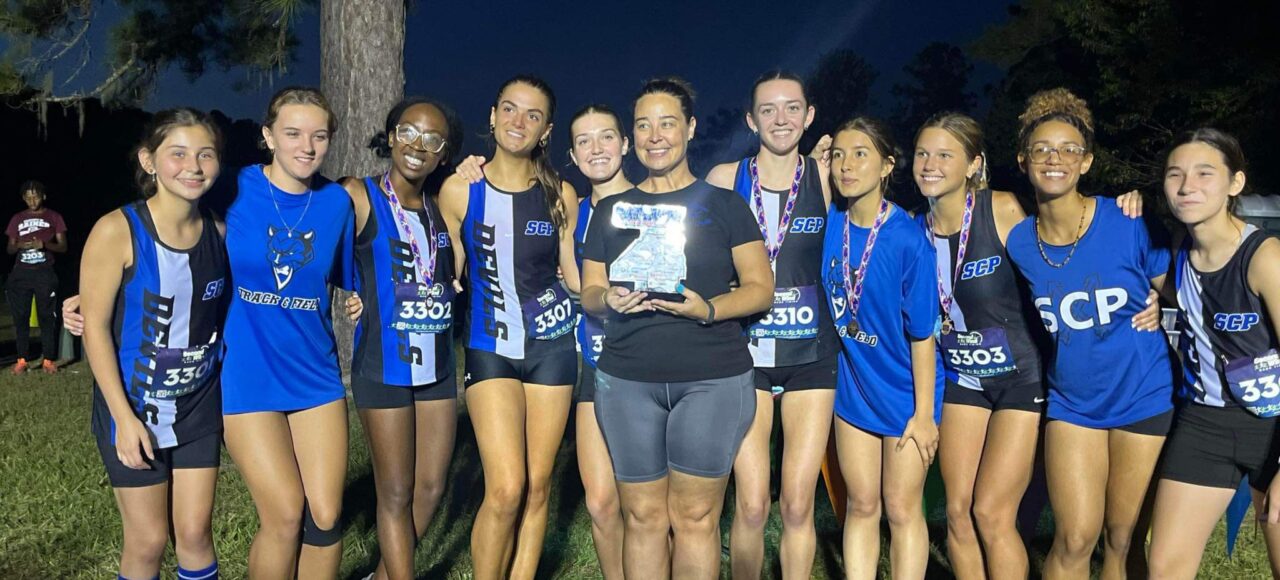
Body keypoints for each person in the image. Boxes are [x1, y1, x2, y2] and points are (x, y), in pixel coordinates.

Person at [914, 113, 1161, 579]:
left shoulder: (1001, 209)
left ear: (973, 164)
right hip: (964, 377)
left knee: (991, 512)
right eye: (923, 153)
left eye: (945, 154)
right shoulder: (915, 227)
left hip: (1020, 379)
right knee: (959, 512)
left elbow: (1059, 259)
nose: (930, 164)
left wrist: (1144, 294)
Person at [580, 77, 773, 580]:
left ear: (690, 128)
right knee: (643, 517)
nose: (655, 136)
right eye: (643, 125)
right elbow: (590, 290)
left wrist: (707, 309)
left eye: (667, 123)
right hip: (627, 379)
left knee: (695, 517)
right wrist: (608, 299)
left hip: (712, 377)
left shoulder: (725, 205)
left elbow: (760, 289)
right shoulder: (610, 211)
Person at [1004, 88, 1174, 579]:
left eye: (1068, 149)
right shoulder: (1019, 242)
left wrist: (1162, 304)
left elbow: (1182, 292)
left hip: (1143, 396)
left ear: (1087, 162)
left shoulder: (1127, 221)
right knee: (1075, 537)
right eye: (1041, 149)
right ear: (1023, 160)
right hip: (1073, 403)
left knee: (1121, 538)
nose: (1054, 159)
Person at [438, 75, 580, 580]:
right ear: (493, 115)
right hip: (490, 346)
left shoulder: (560, 193)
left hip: (552, 347)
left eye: (533, 115)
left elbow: (576, 276)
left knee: (538, 486)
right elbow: (444, 271)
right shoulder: (460, 189)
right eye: (510, 109)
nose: (519, 121)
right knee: (505, 489)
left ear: (547, 130)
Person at [219, 87, 359, 579]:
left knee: (326, 515)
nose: (307, 146)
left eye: (319, 136)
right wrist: (108, 284)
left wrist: (361, 296)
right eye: (293, 133)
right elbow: (169, 232)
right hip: (248, 372)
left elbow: (349, 275)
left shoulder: (337, 203)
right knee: (283, 513)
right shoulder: (233, 188)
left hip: (315, 372)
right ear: (268, 136)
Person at [81, 108, 226, 580]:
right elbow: (95, 327)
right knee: (147, 541)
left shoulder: (220, 232)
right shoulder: (116, 230)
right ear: (149, 161)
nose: (194, 166)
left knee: (195, 534)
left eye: (206, 154)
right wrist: (124, 419)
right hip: (134, 407)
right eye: (178, 154)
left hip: (198, 406)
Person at [705, 71, 837, 580]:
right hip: (745, 353)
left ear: (809, 115)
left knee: (799, 504)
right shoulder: (724, 178)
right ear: (751, 119)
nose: (781, 119)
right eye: (768, 109)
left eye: (792, 108)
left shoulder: (828, 176)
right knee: (753, 503)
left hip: (811, 356)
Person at [340, 96, 464, 580]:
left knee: (431, 487)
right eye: (408, 133)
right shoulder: (358, 194)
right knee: (394, 492)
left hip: (437, 365)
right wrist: (350, 288)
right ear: (391, 137)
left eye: (432, 139)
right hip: (383, 365)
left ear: (443, 153)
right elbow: (315, 249)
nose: (417, 146)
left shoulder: (441, 207)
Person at [1148, 128, 1280, 578]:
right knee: (1164, 567)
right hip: (1205, 424)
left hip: (1273, 429)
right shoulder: (1175, 250)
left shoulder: (1264, 256)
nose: (1187, 186)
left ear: (1235, 183)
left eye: (1205, 173)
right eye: (1175, 174)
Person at [820, 116, 943, 579]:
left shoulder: (907, 240)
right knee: (861, 503)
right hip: (855, 387)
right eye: (839, 155)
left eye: (860, 154)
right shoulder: (832, 222)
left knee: (901, 506)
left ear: (887, 165)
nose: (846, 166)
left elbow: (923, 336)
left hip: (908, 391)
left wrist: (924, 415)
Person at [6, 180, 67, 374]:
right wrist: (18, 245)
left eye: (36, 196)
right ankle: (22, 359)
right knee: (21, 317)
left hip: (44, 274)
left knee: (46, 317)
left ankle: (48, 359)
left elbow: (63, 247)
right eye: (28, 197)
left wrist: (45, 245)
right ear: (23, 198)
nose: (32, 200)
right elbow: (9, 249)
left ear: (43, 197)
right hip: (21, 274)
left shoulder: (54, 217)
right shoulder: (17, 218)